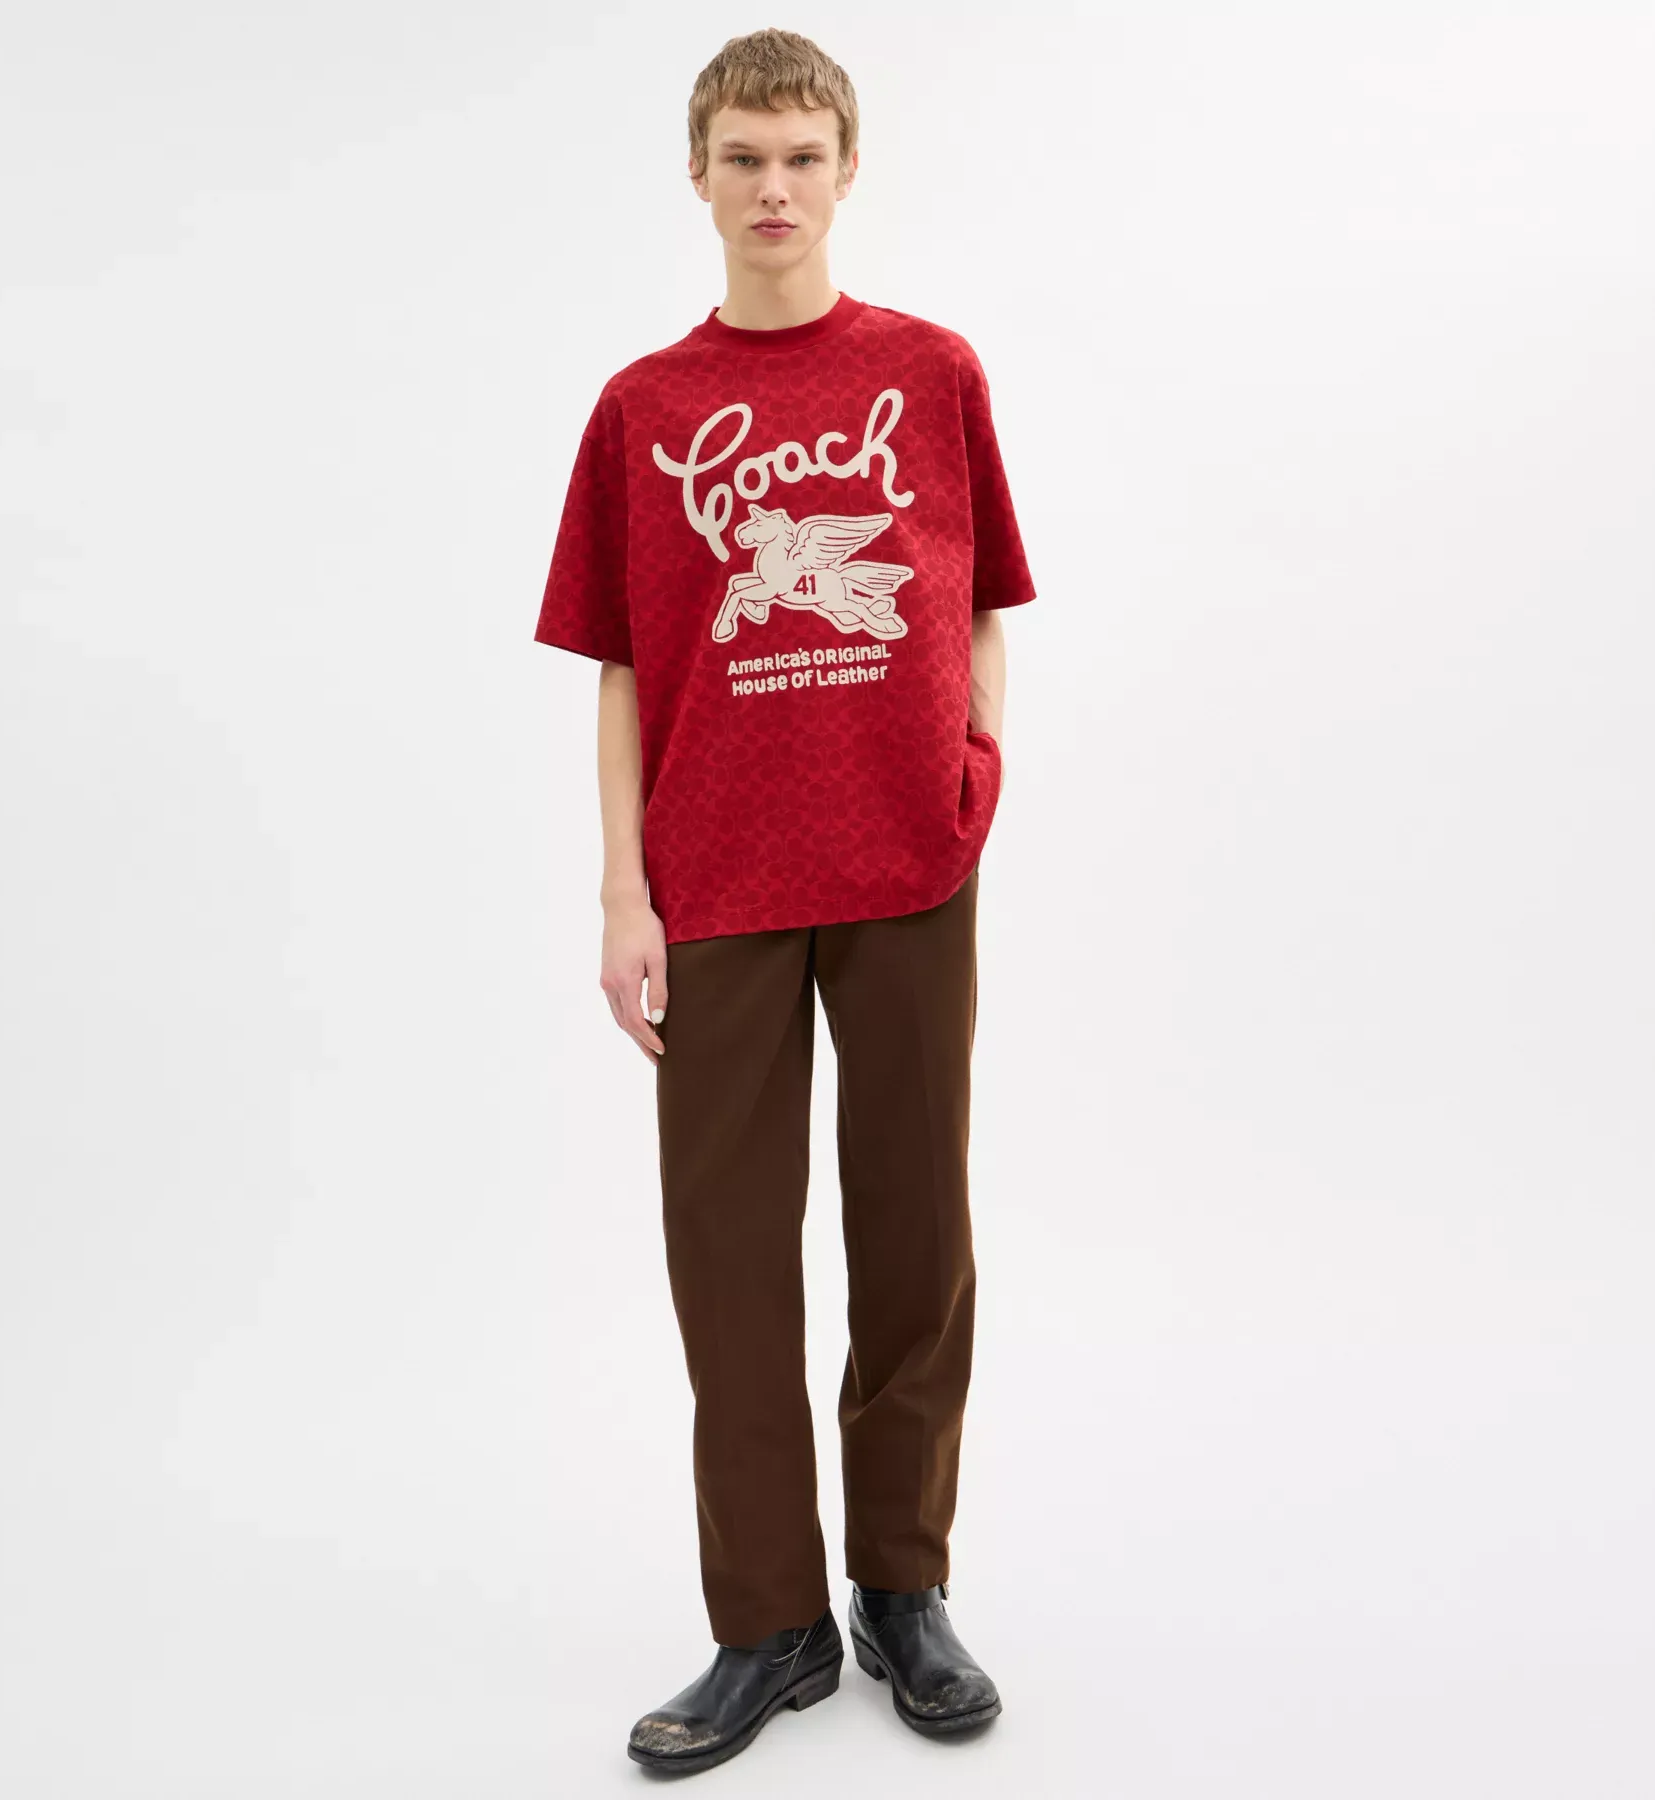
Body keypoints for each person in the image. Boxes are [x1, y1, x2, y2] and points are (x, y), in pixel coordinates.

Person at [532, 27, 1036, 1775]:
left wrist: (973, 774)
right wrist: (625, 890)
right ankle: (769, 1623)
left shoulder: (933, 372)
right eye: (742, 158)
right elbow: (619, 667)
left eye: (801, 157)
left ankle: (904, 1589)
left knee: (915, 1238)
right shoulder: (644, 410)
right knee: (730, 1259)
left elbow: (981, 600)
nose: (773, 188)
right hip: (720, 881)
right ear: (697, 174)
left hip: (906, 866)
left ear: (846, 170)